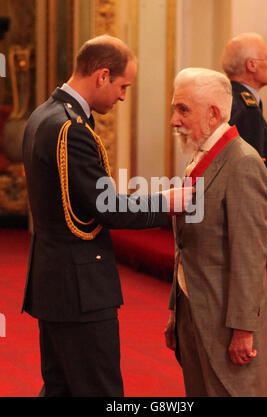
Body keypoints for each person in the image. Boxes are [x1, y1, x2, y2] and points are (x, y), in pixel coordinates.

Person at [22, 35, 192, 397]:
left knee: (62, 388)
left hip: (55, 282)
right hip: (79, 287)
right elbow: (106, 207)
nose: (122, 96)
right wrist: (165, 201)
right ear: (101, 76)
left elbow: (87, 197)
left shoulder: (44, 115)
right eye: (122, 85)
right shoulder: (70, 128)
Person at [164, 68, 267, 397]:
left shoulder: (243, 163)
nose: (173, 120)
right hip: (193, 314)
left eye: (183, 109)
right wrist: (175, 311)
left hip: (227, 324)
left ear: (213, 114)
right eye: (174, 109)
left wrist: (243, 329)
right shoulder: (199, 158)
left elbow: (249, 256)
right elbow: (187, 245)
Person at [222, 32, 267, 254]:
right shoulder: (247, 110)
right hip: (247, 219)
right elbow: (249, 176)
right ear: (251, 65)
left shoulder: (230, 100)